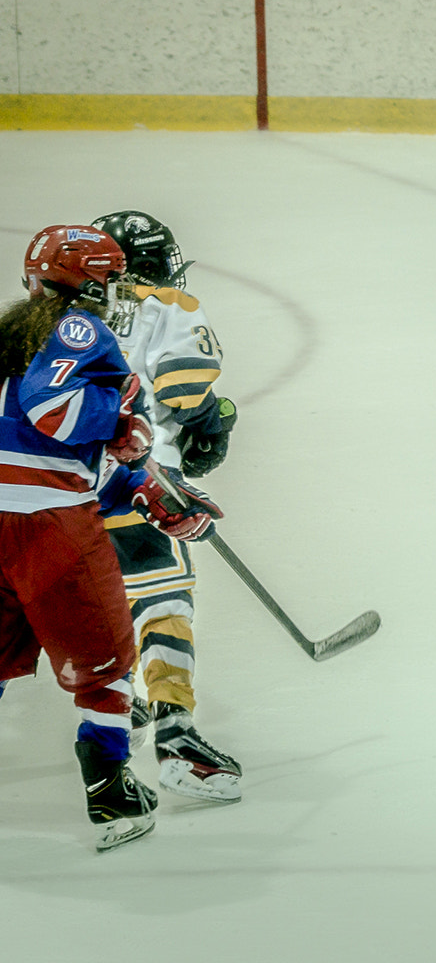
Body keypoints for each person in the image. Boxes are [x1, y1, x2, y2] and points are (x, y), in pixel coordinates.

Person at [0, 225, 222, 850]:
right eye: (112, 278)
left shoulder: (14, 334)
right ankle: (111, 795)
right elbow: (55, 414)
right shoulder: (76, 328)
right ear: (91, 281)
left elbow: (38, 443)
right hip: (48, 524)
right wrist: (119, 421)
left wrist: (138, 488)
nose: (119, 291)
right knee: (106, 658)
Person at [92, 211, 243, 802]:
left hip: (61, 483)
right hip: (139, 475)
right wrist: (211, 419)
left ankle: (118, 700)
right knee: (162, 596)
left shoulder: (67, 315)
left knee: (100, 591)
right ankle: (177, 737)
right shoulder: (168, 303)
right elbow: (183, 386)